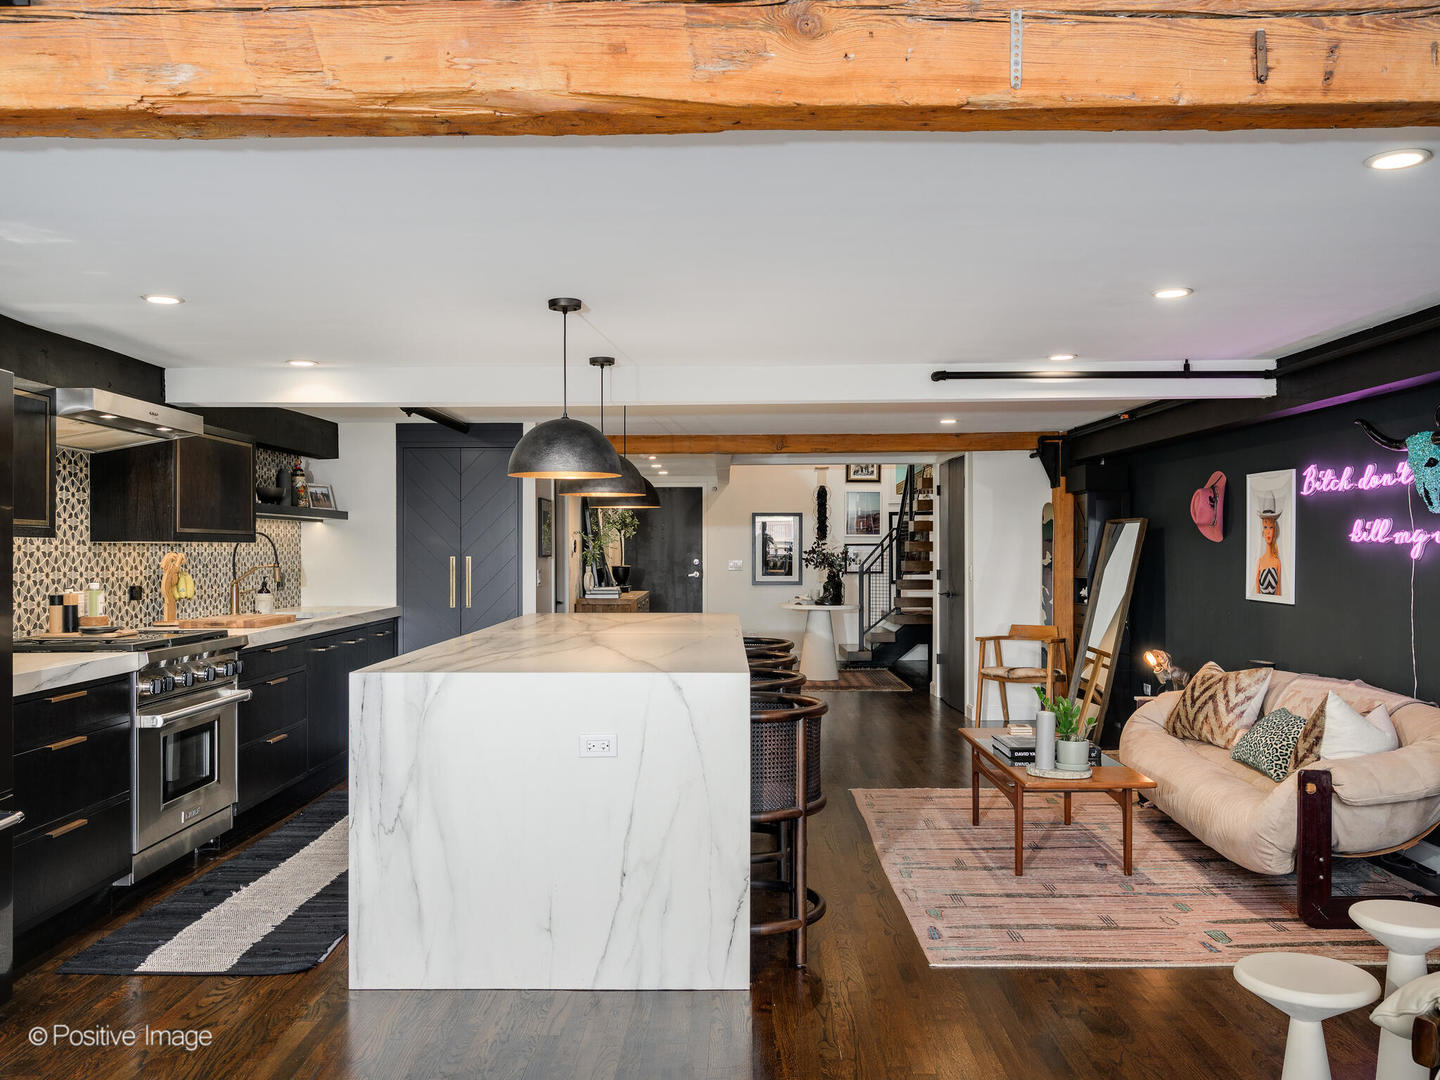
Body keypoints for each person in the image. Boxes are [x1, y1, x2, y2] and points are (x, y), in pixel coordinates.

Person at [1254, 492, 1282, 597]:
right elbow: (1257, 594)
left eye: (1271, 527)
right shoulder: (1260, 561)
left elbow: (1278, 592)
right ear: (1262, 531)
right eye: (1265, 527)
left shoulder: (1277, 562)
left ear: (1274, 530)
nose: (1268, 532)